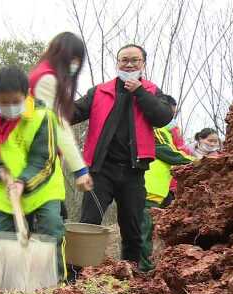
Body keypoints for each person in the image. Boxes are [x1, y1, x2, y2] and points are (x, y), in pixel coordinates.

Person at [72, 44, 174, 266]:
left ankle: (130, 278)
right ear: (117, 63)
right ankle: (75, 278)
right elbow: (74, 112)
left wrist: (139, 92)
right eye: (124, 60)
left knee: (132, 229)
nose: (129, 64)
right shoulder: (100, 91)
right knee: (88, 224)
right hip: (100, 171)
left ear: (143, 64)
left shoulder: (152, 91)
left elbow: (162, 116)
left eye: (134, 60)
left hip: (133, 172)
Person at [0, 65, 66, 293]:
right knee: (5, 241)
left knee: (51, 231)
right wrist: (0, 172)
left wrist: (22, 182)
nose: (9, 107)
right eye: (3, 103)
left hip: (43, 188)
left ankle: (56, 289)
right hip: (7, 192)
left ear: (26, 95)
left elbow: (43, 159)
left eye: (15, 101)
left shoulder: (42, 117)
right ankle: (1, 292)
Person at [29, 32, 93, 193]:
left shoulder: (40, 73)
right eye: (73, 59)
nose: (76, 64)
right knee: (51, 214)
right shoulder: (47, 79)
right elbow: (57, 126)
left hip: (32, 154)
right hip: (36, 158)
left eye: (78, 60)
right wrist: (80, 169)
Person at [140, 122, 193, 271]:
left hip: (152, 192)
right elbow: (169, 153)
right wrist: (199, 161)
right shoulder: (158, 129)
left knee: (145, 230)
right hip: (148, 190)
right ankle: (143, 269)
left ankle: (140, 267)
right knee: (145, 231)